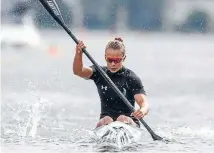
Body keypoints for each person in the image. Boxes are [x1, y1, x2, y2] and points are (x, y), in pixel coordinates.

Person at [73, 37, 149, 128]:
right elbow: (78, 71)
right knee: (107, 119)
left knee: (121, 118)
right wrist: (79, 54)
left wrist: (143, 110)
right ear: (105, 57)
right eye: (110, 60)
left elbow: (143, 102)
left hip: (129, 121)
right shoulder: (99, 73)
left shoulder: (131, 77)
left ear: (124, 58)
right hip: (106, 121)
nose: (113, 64)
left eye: (117, 60)